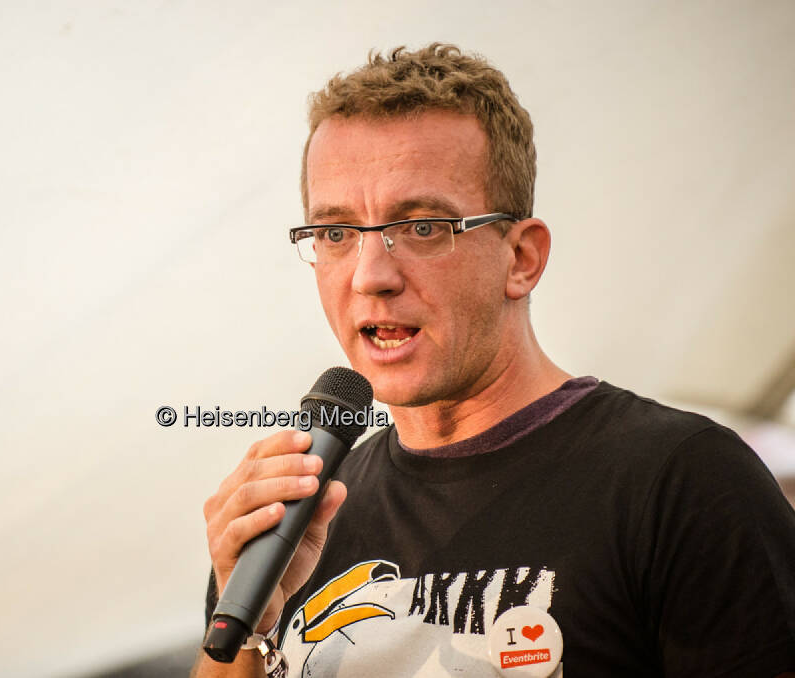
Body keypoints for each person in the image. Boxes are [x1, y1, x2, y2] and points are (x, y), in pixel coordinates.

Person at [192, 44, 795, 677]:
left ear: (522, 258)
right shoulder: (290, 520)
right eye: (336, 233)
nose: (370, 276)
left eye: (423, 226)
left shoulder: (683, 480)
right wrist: (251, 634)